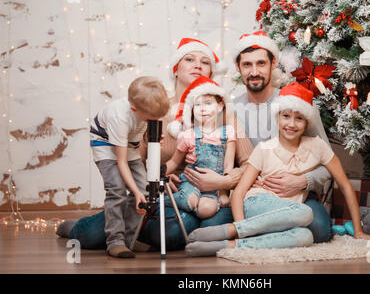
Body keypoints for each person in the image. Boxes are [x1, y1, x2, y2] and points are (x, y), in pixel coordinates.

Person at [56, 38, 254, 251]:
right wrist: (157, 178)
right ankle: (83, 226)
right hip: (163, 195)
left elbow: (250, 164)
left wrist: (223, 182)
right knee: (93, 235)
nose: (198, 65)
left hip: (210, 197)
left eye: (205, 62)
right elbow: (135, 158)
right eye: (190, 59)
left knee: (190, 228)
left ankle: (157, 229)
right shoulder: (155, 108)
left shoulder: (226, 114)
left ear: (211, 74)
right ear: (175, 70)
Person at [185, 82, 370, 256]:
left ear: (307, 122)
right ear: (277, 117)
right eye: (286, 116)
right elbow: (239, 193)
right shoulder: (265, 148)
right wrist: (239, 227)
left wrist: (358, 231)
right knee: (305, 213)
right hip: (258, 203)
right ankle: (231, 231)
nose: (291, 124)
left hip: (289, 213)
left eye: (299, 118)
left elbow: (345, 185)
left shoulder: (318, 146)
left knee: (305, 237)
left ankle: (229, 246)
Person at [229, 30, 334, 243]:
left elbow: (328, 165)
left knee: (320, 230)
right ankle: (277, 233)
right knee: (217, 219)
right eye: (247, 65)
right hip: (255, 195)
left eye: (261, 63)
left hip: (298, 195)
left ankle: (262, 234)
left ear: (273, 63)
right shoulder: (233, 110)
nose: (254, 71)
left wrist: (303, 181)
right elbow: (228, 160)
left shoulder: (294, 101)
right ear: (238, 68)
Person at [89, 76, 170, 258]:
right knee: (116, 189)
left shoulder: (147, 109)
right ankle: (115, 241)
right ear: (135, 109)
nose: (155, 120)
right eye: (152, 119)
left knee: (146, 190)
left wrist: (152, 138)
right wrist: (134, 191)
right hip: (107, 149)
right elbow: (121, 162)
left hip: (129, 147)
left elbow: (138, 136)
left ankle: (129, 239)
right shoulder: (120, 117)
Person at [164, 76, 236, 218]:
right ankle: (165, 201)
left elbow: (228, 165)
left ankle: (194, 211)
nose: (202, 109)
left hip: (215, 186)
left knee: (205, 210)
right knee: (190, 201)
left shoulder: (228, 132)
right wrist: (160, 175)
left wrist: (223, 191)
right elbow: (174, 161)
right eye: (197, 105)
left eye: (208, 103)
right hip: (190, 183)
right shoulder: (188, 135)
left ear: (220, 105)